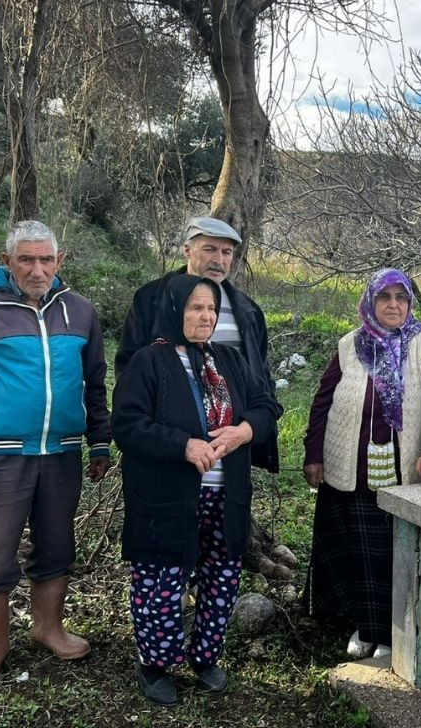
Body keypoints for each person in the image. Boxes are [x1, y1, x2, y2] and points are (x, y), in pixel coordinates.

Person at [0, 220, 112, 684]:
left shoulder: (80, 311)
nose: (38, 269)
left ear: (60, 261)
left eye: (46, 259)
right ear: (9, 262)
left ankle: (47, 629)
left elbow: (95, 382)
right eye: (27, 259)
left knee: (57, 543)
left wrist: (99, 440)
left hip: (61, 453)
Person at [112, 274, 282, 706]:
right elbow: (127, 426)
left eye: (211, 309)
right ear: (173, 311)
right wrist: (183, 445)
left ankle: (205, 657)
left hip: (226, 495)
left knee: (221, 577)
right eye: (195, 308)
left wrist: (245, 431)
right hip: (167, 495)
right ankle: (154, 664)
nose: (205, 316)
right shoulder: (149, 362)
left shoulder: (230, 360)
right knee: (160, 580)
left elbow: (266, 406)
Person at [302, 269, 421, 659]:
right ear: (371, 302)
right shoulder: (350, 344)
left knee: (388, 554)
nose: (392, 305)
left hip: (398, 468)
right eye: (384, 297)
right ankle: (362, 626)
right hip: (348, 469)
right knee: (354, 550)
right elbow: (322, 401)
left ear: (409, 304)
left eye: (400, 298)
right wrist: (314, 453)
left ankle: (389, 635)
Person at [116, 216, 278, 473]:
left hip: (231, 450)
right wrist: (161, 437)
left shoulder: (247, 310)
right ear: (187, 250)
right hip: (170, 451)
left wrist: (248, 429)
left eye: (227, 252)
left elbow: (261, 378)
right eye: (210, 249)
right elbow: (128, 369)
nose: (219, 259)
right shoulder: (152, 298)